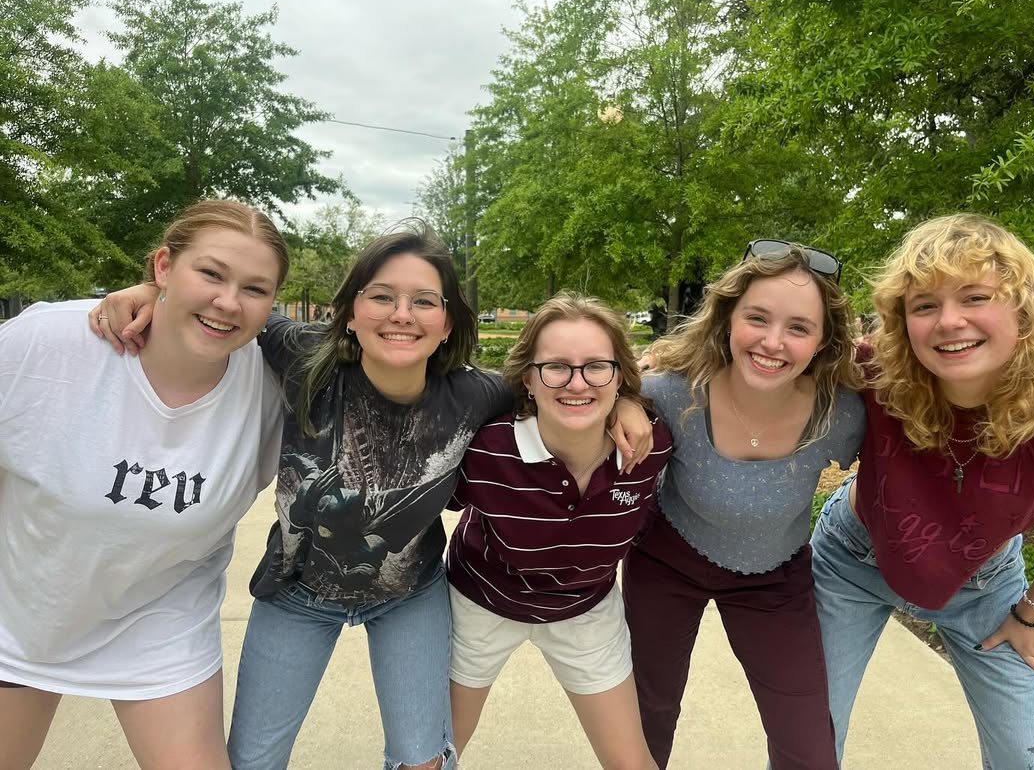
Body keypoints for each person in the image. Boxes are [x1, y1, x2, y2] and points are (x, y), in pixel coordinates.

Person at [92, 221, 653, 770]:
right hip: (296, 592)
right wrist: (153, 292)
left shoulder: (476, 394)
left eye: (423, 301)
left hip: (408, 594)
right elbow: (236, 315)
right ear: (351, 312)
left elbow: (567, 384)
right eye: (382, 296)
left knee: (422, 757)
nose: (401, 314)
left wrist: (627, 400)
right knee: (253, 759)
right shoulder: (307, 358)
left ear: (446, 323)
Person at [0, 200, 288, 770]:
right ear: (162, 266)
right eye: (210, 274)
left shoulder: (276, 383)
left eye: (255, 289)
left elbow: (381, 347)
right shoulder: (48, 343)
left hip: (160, 620)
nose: (229, 302)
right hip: (24, 614)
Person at [810, 214, 1034, 768]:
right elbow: (760, 363)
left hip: (987, 583)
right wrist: (635, 386)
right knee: (806, 736)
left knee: (1027, 759)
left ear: (1024, 307)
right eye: (924, 305)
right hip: (852, 560)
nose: (949, 321)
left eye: (975, 297)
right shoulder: (874, 372)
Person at [622, 239, 866, 769]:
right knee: (647, 715)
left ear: (823, 341)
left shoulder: (843, 414)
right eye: (757, 318)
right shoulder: (671, 393)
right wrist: (624, 399)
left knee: (806, 743)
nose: (773, 342)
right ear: (728, 318)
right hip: (666, 563)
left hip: (774, 580)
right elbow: (581, 395)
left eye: (799, 327)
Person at [446, 294, 672, 768]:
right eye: (556, 367)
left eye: (596, 366)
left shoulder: (649, 445)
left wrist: (630, 403)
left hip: (584, 608)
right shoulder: (486, 450)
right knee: (433, 755)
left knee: (632, 763)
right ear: (528, 379)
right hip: (481, 602)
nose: (577, 382)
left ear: (620, 376)